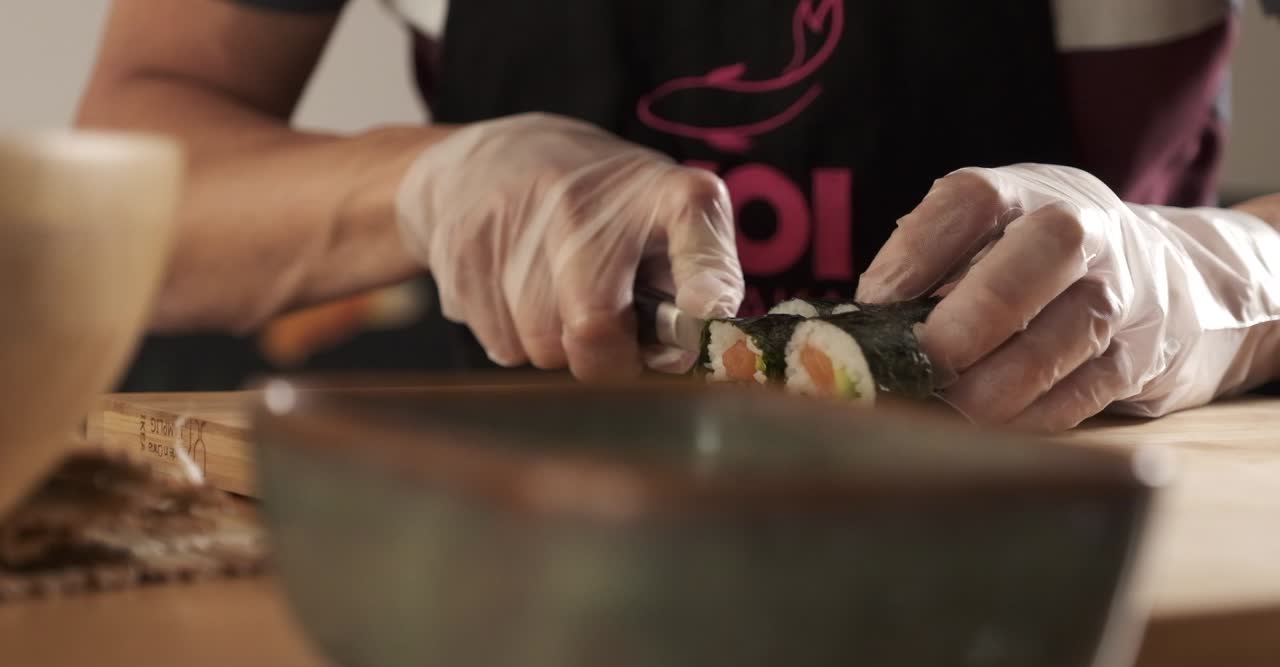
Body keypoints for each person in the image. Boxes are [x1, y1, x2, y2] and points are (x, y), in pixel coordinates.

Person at [77, 0, 1280, 430]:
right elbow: (123, 199)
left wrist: (1226, 279)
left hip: (1098, 555)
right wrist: (424, 180)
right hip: (529, 564)